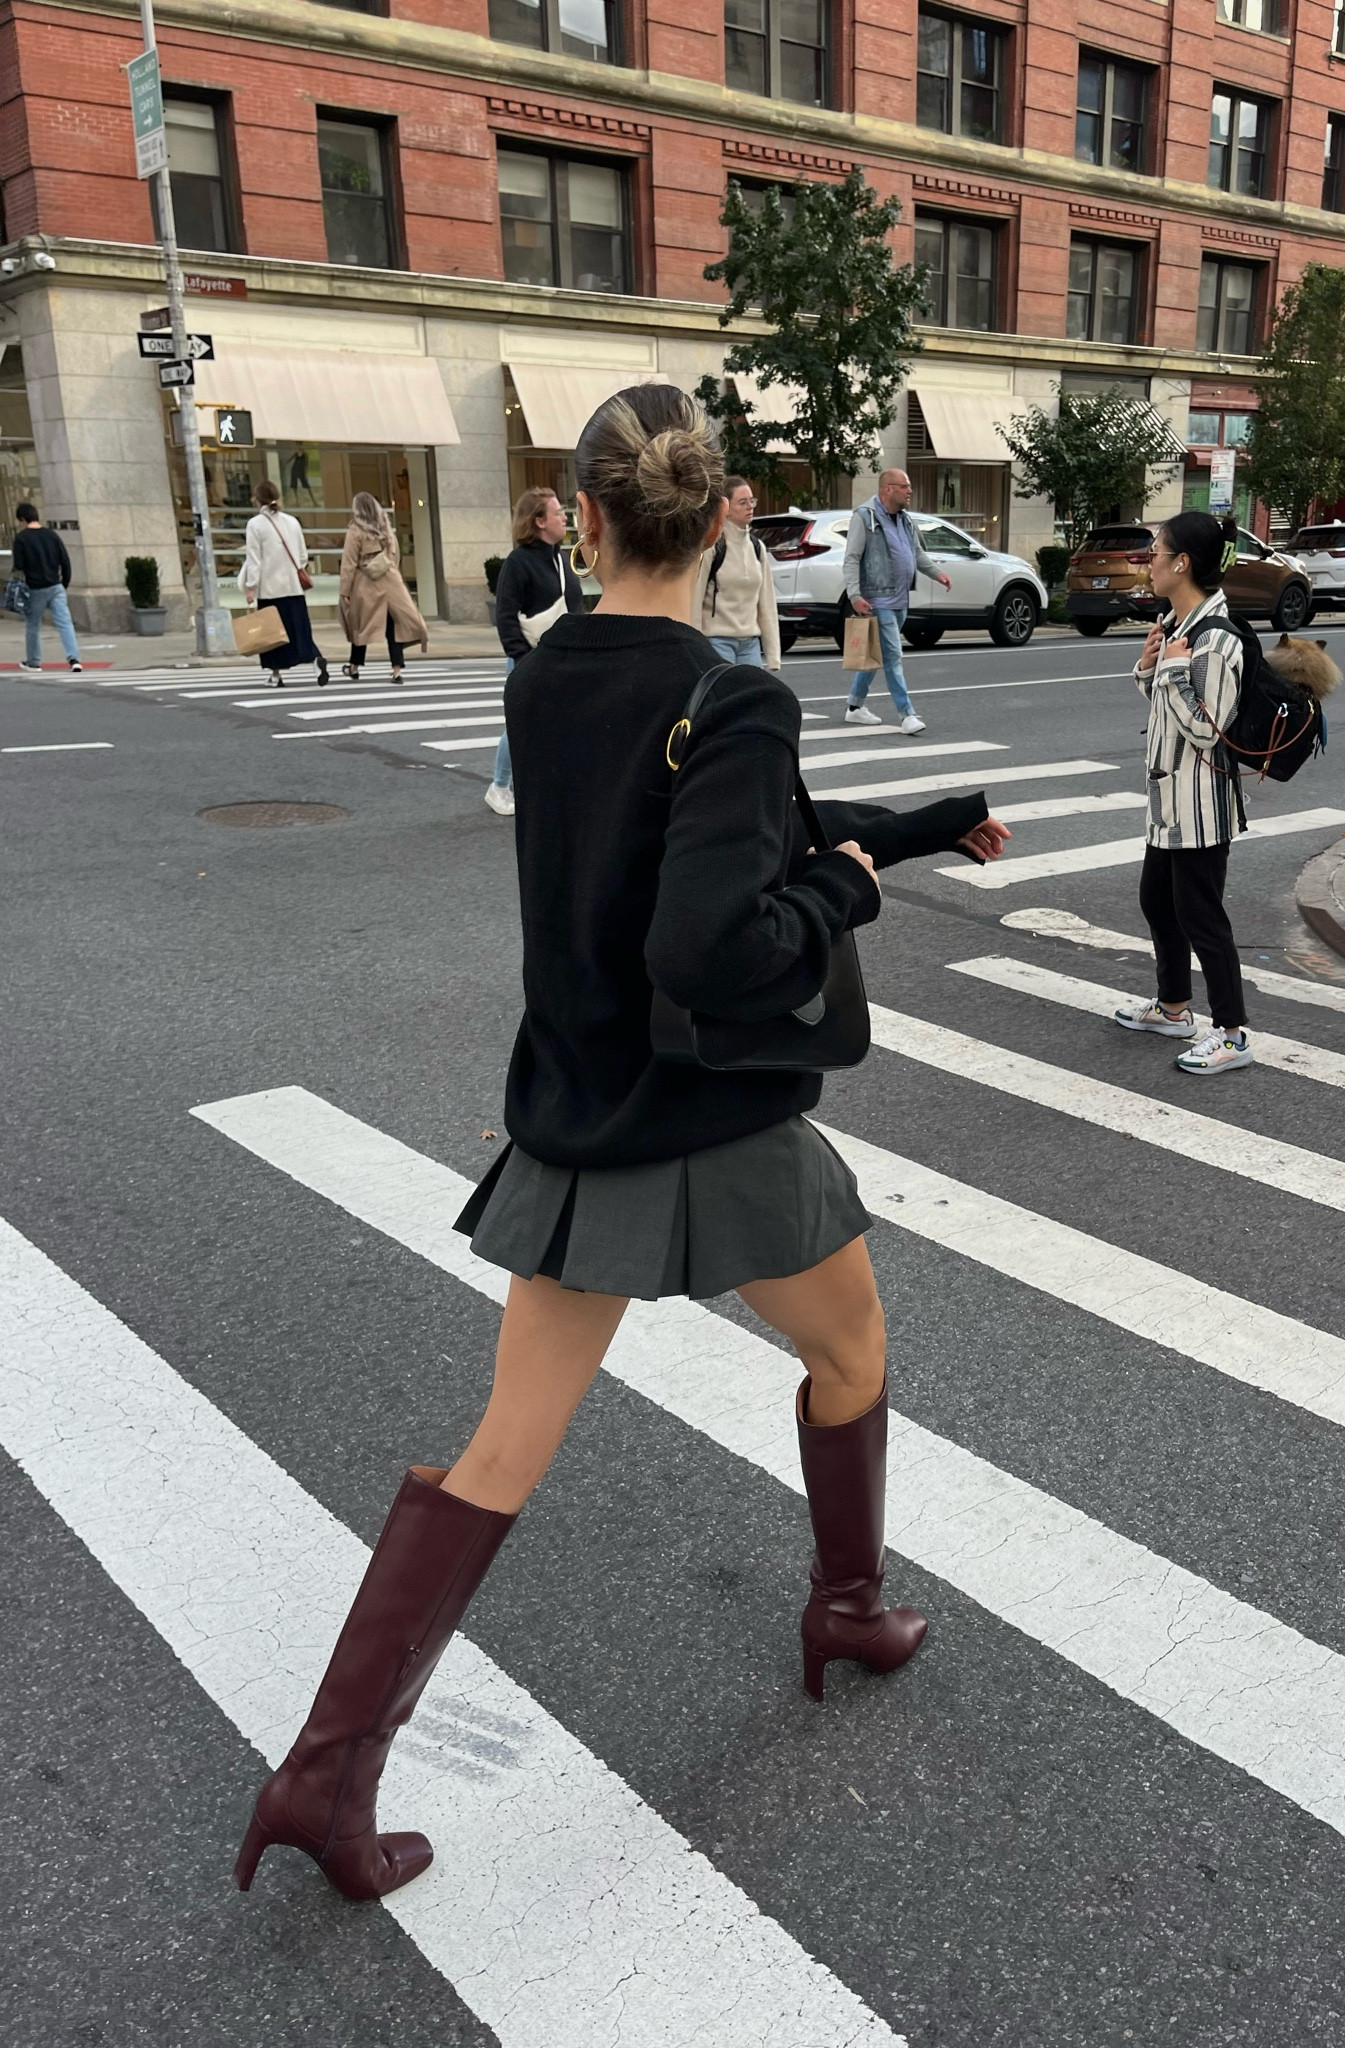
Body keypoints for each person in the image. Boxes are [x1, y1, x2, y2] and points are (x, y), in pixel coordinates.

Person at [233, 383, 979, 1909]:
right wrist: (850, 890)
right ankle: (846, 1606)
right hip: (713, 1119)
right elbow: (718, 930)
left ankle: (324, 1774)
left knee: (503, 1450)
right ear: (726, 519)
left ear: (579, 517)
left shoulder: (549, 677)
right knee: (853, 1360)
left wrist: (906, 825)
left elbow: (713, 824)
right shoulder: (734, 692)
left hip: (576, 1121)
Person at [1114, 511, 1252, 1076]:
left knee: (1202, 918)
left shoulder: (1215, 639)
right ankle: (1173, 1008)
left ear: (1182, 563)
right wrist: (1149, 670)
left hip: (1199, 806)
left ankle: (1233, 1033)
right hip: (1168, 800)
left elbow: (1207, 730)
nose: (1147, 560)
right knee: (1157, 901)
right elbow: (1168, 710)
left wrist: (1170, 673)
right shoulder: (1179, 626)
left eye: (1155, 550)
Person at [486, 488, 581, 816]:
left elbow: (575, 609)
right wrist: (523, 659)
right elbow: (506, 615)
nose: (565, 517)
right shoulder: (518, 563)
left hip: (565, 658)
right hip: (531, 658)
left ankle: (549, 789)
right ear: (539, 521)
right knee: (522, 725)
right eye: (557, 513)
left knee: (561, 724)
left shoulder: (560, 558)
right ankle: (499, 786)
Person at [842, 468, 950, 735]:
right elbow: (852, 558)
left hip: (901, 600)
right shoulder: (864, 517)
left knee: (878, 655)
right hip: (878, 599)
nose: (909, 491)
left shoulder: (904, 519)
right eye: (904, 486)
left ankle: (855, 707)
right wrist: (855, 595)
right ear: (887, 488)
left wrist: (938, 574)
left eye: (909, 486)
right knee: (893, 656)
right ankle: (907, 715)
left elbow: (916, 553)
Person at [239, 479, 329, 689]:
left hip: (270, 590)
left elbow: (254, 560)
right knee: (300, 631)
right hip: (294, 588)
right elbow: (303, 556)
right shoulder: (292, 522)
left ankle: (276, 675)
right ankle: (315, 660)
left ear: (257, 499)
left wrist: (251, 587)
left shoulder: (255, 524)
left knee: (271, 635)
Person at [337, 492, 428, 685]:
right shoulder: (386, 527)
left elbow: (349, 562)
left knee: (361, 625)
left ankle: (354, 667)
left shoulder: (355, 531)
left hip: (365, 583)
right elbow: (394, 555)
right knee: (394, 627)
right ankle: (396, 670)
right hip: (390, 582)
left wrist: (345, 590)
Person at [692, 474, 780, 669]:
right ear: (726, 508)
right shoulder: (713, 547)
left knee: (754, 698)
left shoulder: (758, 548)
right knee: (723, 697)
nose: (750, 506)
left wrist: (773, 656)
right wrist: (694, 647)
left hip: (750, 643)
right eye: (742, 502)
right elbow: (695, 598)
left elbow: (767, 604)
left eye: (752, 501)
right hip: (716, 641)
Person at [11, 505, 83, 674]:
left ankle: (34, 662)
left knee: (33, 625)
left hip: (35, 588)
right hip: (55, 586)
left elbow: (19, 566)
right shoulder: (52, 535)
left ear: (22, 519)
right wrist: (63, 583)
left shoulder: (21, 539)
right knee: (65, 623)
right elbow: (65, 561)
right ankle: (74, 659)